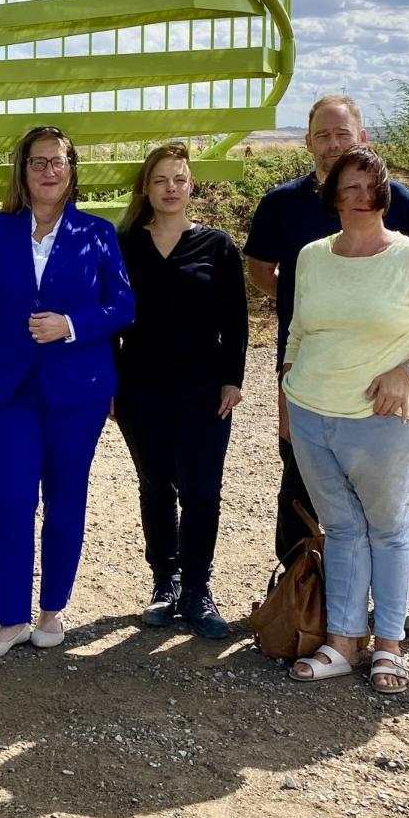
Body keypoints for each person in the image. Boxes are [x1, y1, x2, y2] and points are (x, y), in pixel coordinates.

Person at [283, 147, 409, 694]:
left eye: (372, 187)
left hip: (384, 419)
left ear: (385, 194)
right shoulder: (312, 256)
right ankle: (341, 642)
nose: (362, 197)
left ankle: (388, 645)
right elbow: (297, 332)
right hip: (312, 415)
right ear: (332, 196)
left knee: (387, 530)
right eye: (350, 187)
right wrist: (287, 390)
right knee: (340, 528)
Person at [0, 126, 135, 659]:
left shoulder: (98, 232)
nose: (49, 171)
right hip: (10, 388)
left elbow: (123, 306)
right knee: (10, 500)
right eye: (39, 162)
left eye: (58, 162)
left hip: (77, 390)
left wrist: (72, 325)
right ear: (24, 170)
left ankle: (52, 611)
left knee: (64, 502)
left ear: (71, 169)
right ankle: (10, 618)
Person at [244, 95, 409, 565]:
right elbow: (262, 271)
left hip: (379, 374)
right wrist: (316, 307)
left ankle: (375, 593)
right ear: (306, 143)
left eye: (342, 133)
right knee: (300, 477)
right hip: (305, 366)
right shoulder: (281, 203)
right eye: (322, 135)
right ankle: (298, 586)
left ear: (362, 138)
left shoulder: (398, 201)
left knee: (375, 489)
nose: (332, 144)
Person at [112, 143, 248, 639]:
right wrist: (109, 381)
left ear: (192, 186)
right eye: (160, 179)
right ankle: (164, 583)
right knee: (156, 487)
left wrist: (233, 379)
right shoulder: (124, 243)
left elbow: (236, 321)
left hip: (203, 389)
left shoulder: (217, 246)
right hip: (139, 388)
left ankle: (197, 588)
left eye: (179, 179)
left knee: (202, 490)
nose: (171, 188)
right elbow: (109, 321)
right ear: (146, 188)